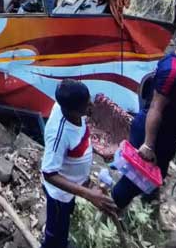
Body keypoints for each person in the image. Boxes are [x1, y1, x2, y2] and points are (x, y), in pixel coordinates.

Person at [111, 24, 176, 209]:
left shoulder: (173, 63)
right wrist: (148, 145)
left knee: (155, 176)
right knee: (134, 181)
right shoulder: (174, 72)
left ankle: (149, 208)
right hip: (154, 135)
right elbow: (156, 107)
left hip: (163, 134)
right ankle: (110, 210)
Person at [41, 79, 118, 248]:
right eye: (86, 103)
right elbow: (49, 173)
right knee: (56, 235)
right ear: (72, 110)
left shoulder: (73, 112)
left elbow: (81, 139)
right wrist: (88, 194)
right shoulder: (59, 135)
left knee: (66, 217)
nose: (90, 104)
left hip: (74, 183)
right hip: (59, 195)